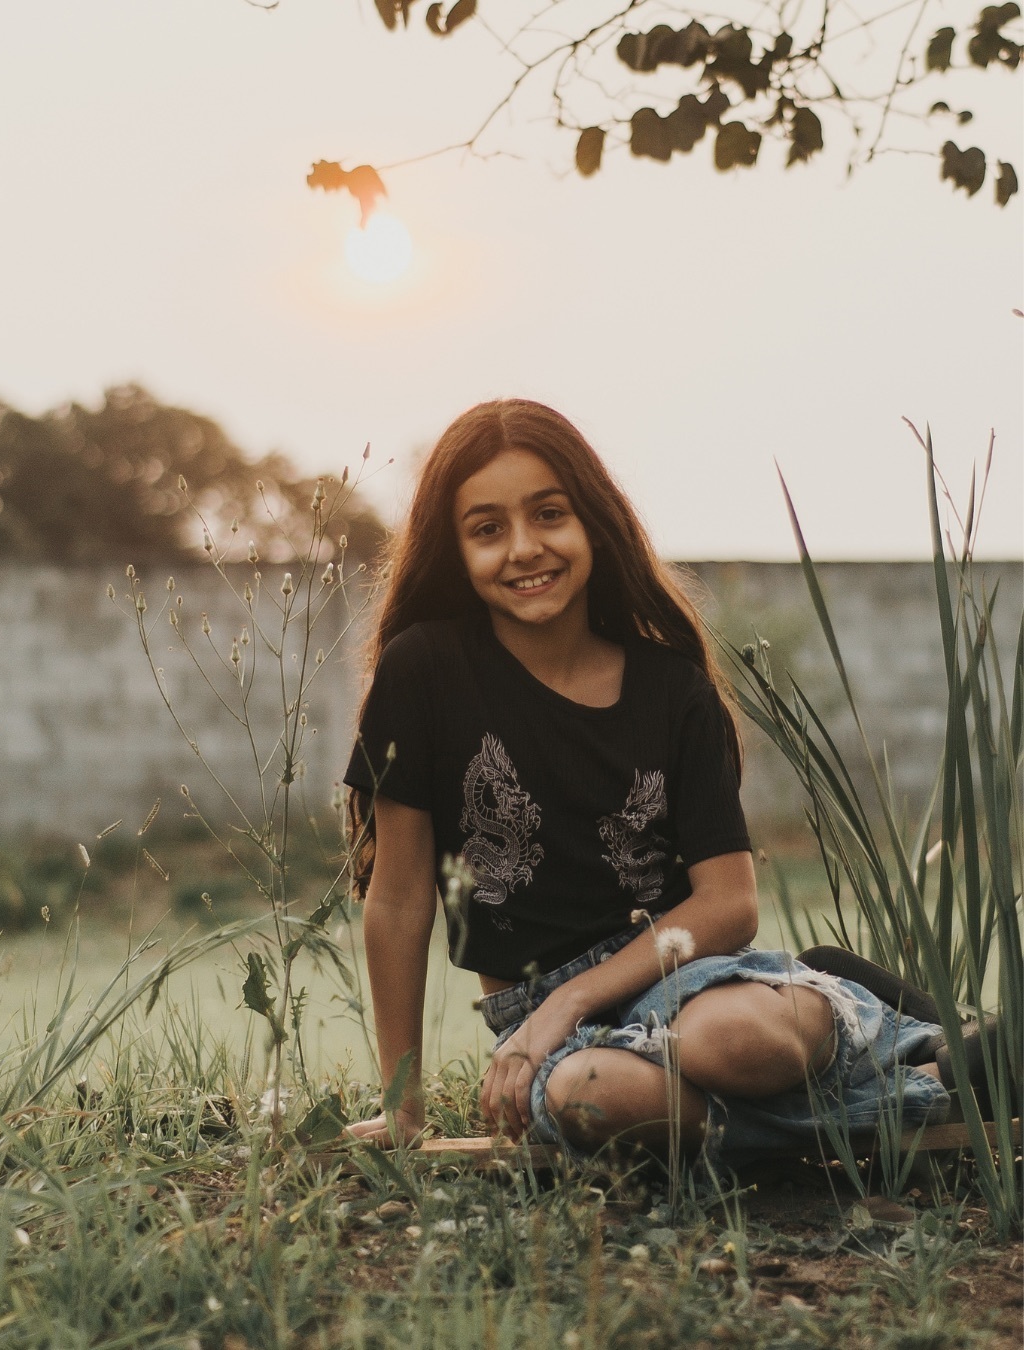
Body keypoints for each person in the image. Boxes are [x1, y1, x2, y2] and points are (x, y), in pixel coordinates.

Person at [341, 399, 957, 1166]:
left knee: (731, 1040)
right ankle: (928, 1080)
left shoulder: (672, 690)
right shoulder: (424, 671)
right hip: (545, 1028)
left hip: (687, 978)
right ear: (456, 549)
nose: (526, 548)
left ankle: (838, 1016)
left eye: (549, 514)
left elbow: (728, 903)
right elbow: (398, 901)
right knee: (587, 1096)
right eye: (488, 529)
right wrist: (403, 1105)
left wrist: (573, 998)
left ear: (593, 520)